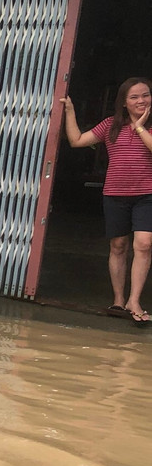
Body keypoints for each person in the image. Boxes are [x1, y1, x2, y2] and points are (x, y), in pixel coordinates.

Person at [60, 78, 152, 324]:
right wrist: (70, 112)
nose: (141, 100)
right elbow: (77, 140)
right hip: (115, 194)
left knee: (144, 243)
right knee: (118, 246)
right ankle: (119, 300)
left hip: (147, 194)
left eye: (146, 95)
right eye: (134, 97)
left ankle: (134, 300)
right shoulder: (111, 125)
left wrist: (141, 127)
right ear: (123, 102)